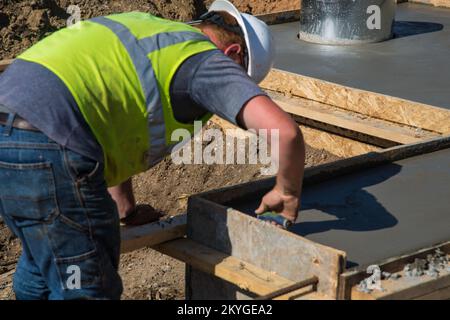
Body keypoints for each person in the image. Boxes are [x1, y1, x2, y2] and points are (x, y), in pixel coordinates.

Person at [0, 0, 305, 299]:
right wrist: (286, 190)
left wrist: (126, 210)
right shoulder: (206, 61)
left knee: (49, 257)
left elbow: (111, 114)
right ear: (233, 53)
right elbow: (286, 132)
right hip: (47, 142)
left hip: (11, 131)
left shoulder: (151, 32)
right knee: (87, 288)